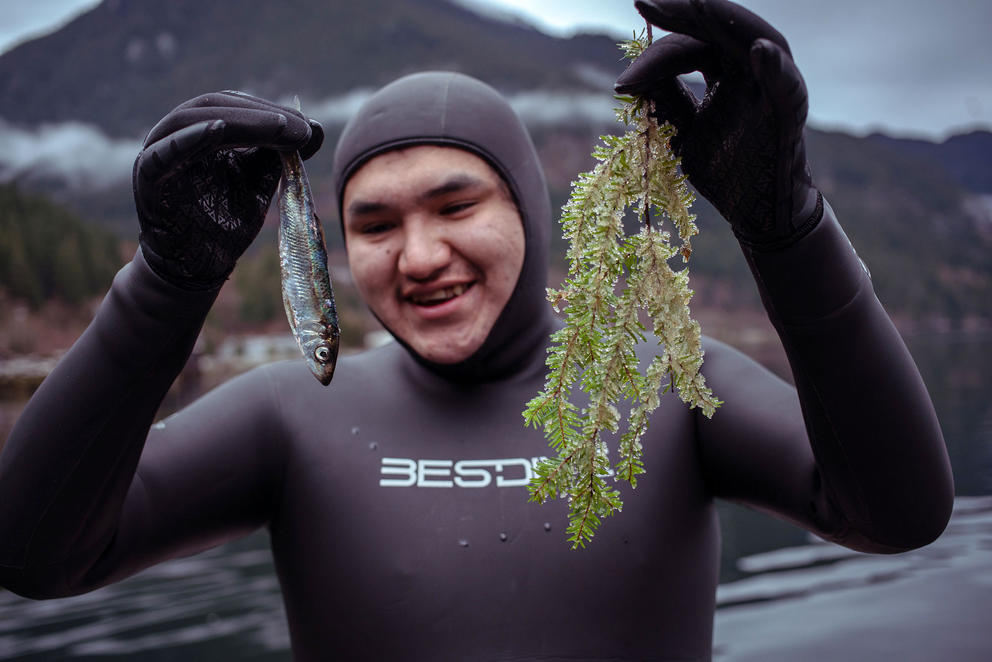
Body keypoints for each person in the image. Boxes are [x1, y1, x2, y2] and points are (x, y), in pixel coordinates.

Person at [0, 1, 954, 659]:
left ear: (532, 215)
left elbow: (897, 512)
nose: (416, 256)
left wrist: (787, 231)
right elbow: (39, 554)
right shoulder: (290, 416)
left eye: (456, 206)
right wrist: (165, 283)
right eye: (374, 224)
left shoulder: (663, 380)